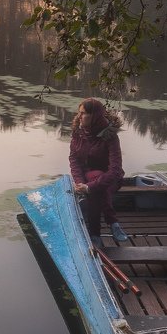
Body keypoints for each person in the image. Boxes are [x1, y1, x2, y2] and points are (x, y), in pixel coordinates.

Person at [69, 97, 129, 245]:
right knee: (94, 180)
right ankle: (113, 223)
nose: (79, 116)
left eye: (83, 113)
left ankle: (95, 233)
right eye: (79, 112)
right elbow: (74, 160)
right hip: (87, 178)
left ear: (94, 115)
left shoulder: (110, 136)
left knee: (97, 183)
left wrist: (89, 187)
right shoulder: (78, 133)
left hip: (111, 180)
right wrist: (79, 183)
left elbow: (115, 170)